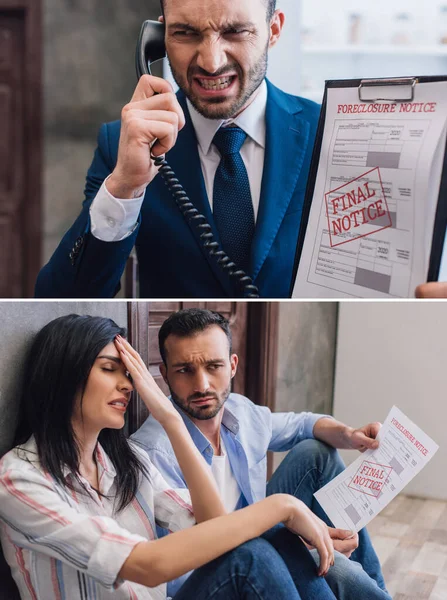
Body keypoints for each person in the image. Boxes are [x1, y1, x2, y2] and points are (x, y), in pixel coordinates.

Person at [0, 314, 346, 600]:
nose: (128, 385)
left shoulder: (127, 462)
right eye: (110, 369)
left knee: (259, 549)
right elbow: (147, 566)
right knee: (256, 554)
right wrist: (282, 507)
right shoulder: (18, 479)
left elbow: (214, 529)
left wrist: (172, 420)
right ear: (64, 375)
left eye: (129, 373)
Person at [35, 0, 320, 299]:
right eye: (186, 33)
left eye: (235, 31)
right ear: (160, 39)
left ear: (273, 30)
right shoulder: (121, 142)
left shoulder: (327, 131)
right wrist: (124, 186)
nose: (211, 63)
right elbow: (58, 298)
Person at [131, 308, 392, 598]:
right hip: (220, 572)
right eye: (185, 370)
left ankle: (378, 588)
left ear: (232, 366)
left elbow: (301, 424)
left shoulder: (241, 412)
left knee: (316, 453)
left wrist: (348, 434)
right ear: (164, 374)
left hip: (261, 537)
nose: (202, 385)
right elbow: (201, 553)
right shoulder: (154, 452)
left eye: (213, 366)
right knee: (341, 571)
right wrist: (298, 545)